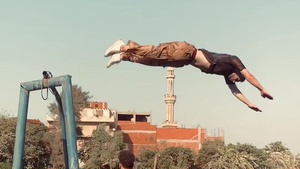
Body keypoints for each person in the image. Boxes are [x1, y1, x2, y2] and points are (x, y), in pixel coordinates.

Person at [104, 40, 273, 112]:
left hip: (184, 61)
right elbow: (249, 75)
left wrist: (249, 104)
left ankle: (125, 57)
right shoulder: (232, 61)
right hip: (186, 51)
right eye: (238, 79)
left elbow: (235, 92)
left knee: (154, 62)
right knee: (156, 53)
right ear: (238, 73)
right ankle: (123, 47)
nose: (235, 81)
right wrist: (262, 89)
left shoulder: (226, 74)